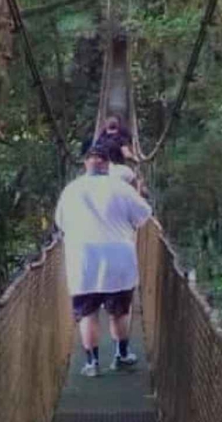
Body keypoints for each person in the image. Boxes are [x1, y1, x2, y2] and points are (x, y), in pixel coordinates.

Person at [54, 145, 154, 377]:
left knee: (87, 314)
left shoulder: (71, 189)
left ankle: (92, 363)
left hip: (83, 259)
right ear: (109, 165)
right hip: (118, 258)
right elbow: (143, 215)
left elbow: (60, 223)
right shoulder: (120, 187)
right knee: (119, 312)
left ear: (85, 164)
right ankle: (121, 355)